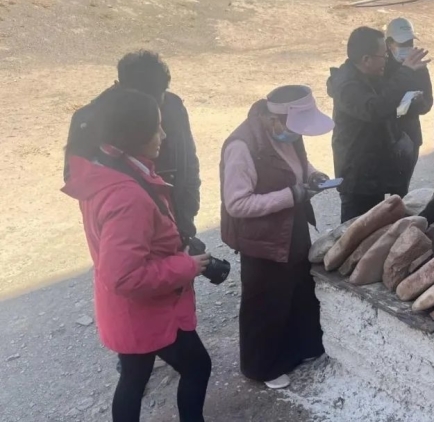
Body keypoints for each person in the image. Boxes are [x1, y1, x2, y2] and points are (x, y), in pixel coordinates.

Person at [61, 87, 212, 422]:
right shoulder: (126, 195)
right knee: (198, 367)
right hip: (148, 311)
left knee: (133, 377)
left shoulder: (105, 169)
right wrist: (186, 265)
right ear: (132, 135)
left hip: (125, 311)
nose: (163, 135)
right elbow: (125, 275)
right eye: (155, 128)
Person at [220, 85, 333, 389]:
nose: (297, 136)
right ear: (273, 119)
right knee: (265, 303)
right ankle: (263, 367)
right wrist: (291, 195)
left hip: (291, 225)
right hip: (262, 238)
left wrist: (313, 175)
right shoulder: (242, 146)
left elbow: (296, 164)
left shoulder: (287, 132)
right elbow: (237, 203)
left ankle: (301, 348)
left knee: (298, 290)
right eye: (294, 129)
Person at [65, 50, 201, 238]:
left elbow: (189, 162)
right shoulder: (89, 119)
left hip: (177, 220)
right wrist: (126, 205)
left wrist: (189, 210)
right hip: (128, 225)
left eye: (158, 99)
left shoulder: (173, 106)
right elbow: (77, 178)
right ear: (123, 90)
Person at [328, 26, 430, 222]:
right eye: (384, 56)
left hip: (374, 172)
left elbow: (389, 107)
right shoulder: (347, 85)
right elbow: (374, 109)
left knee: (378, 227)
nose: (387, 60)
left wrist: (411, 102)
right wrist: (405, 72)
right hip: (358, 177)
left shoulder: (371, 76)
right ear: (366, 59)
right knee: (357, 230)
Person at [385, 17, 434, 196]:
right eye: (402, 43)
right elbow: (379, 106)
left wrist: (418, 103)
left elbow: (428, 103)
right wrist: (402, 106)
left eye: (410, 42)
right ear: (389, 43)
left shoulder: (420, 67)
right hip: (383, 138)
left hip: (409, 137)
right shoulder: (380, 67)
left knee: (400, 193)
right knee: (377, 197)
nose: (407, 47)